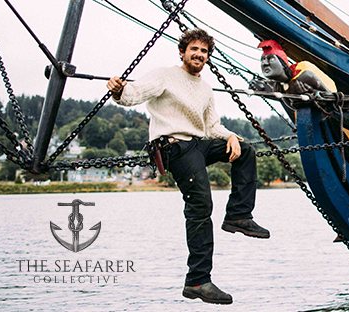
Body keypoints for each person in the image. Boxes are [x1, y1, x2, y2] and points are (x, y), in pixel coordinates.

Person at [106, 29, 268, 305]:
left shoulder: (205, 88)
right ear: (182, 51)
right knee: (201, 206)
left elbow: (212, 126)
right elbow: (135, 93)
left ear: (207, 58)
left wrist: (230, 136)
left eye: (204, 51)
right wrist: (120, 90)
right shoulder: (165, 75)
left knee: (245, 149)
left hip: (197, 144)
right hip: (173, 147)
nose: (199, 55)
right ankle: (197, 281)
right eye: (194, 49)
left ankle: (238, 216)